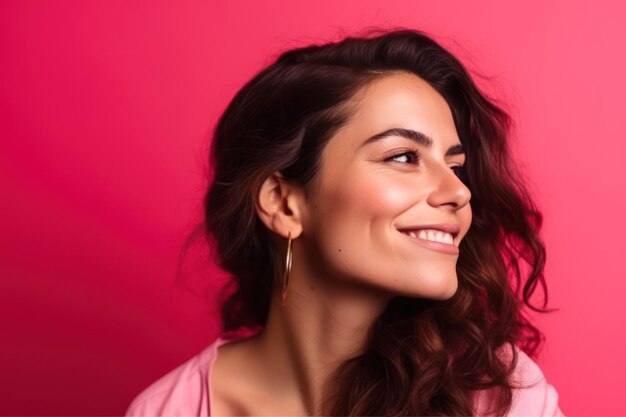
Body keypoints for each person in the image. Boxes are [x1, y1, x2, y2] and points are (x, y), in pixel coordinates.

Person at [126, 28, 565, 416]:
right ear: (283, 203)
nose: (459, 192)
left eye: (455, 166)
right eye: (404, 157)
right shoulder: (166, 410)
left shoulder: (496, 397)